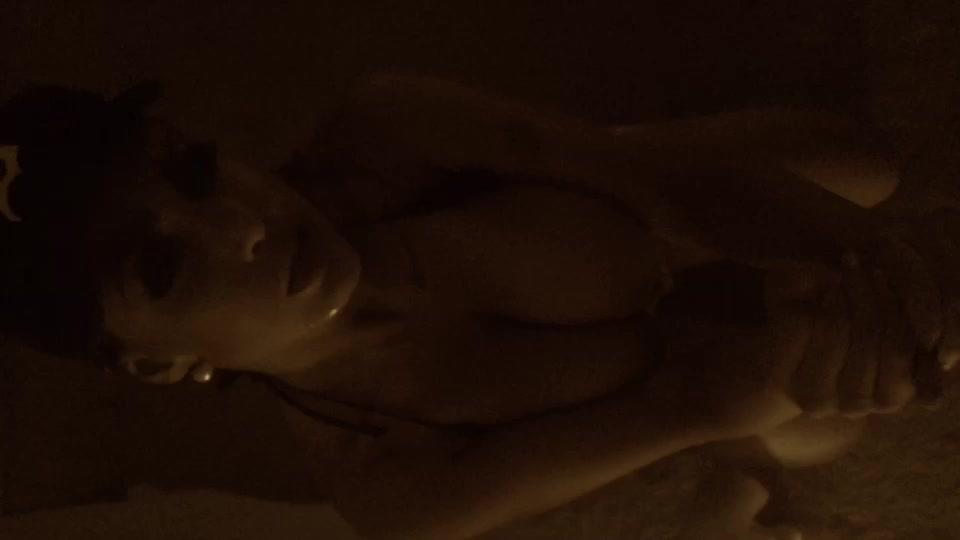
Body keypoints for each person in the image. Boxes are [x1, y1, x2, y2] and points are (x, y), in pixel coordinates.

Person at [1, 75, 957, 540]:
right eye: (162, 265)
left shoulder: (382, 135)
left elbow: (665, 182)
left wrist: (876, 263)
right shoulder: (394, 485)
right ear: (159, 362)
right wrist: (852, 337)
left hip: (646, 205)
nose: (245, 226)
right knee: (816, 422)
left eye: (194, 168)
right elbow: (691, 401)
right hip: (683, 379)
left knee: (863, 165)